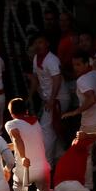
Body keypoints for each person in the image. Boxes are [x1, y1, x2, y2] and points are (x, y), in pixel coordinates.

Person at [61, 50, 96, 189]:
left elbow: (91, 98)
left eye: (78, 64)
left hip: (90, 122)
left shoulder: (82, 80)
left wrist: (75, 112)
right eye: (74, 65)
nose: (75, 67)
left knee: (85, 153)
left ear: (86, 63)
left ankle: (88, 184)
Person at [5, 98, 55, 191]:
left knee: (18, 186)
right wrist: (6, 147)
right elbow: (23, 141)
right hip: (43, 167)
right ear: (25, 110)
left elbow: (18, 139)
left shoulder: (11, 123)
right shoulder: (36, 123)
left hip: (25, 167)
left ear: (11, 113)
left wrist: (22, 157)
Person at [29, 34, 69, 164]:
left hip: (58, 99)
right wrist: (30, 96)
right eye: (36, 43)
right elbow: (36, 79)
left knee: (46, 128)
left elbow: (57, 79)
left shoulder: (51, 60)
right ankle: (60, 156)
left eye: (40, 42)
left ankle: (47, 162)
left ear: (47, 43)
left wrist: (52, 99)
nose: (38, 45)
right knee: (52, 128)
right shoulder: (36, 58)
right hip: (49, 99)